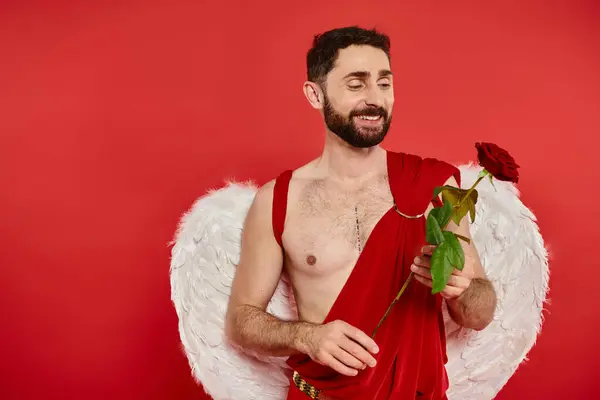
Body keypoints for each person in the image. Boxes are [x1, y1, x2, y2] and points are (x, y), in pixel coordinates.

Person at [225, 26, 497, 400]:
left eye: (384, 84)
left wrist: (463, 290)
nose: (375, 99)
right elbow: (242, 320)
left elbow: (478, 314)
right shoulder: (278, 200)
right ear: (315, 94)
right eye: (356, 84)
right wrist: (307, 336)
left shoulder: (435, 185)